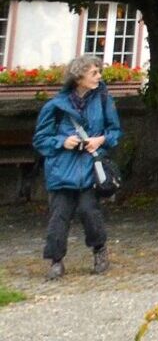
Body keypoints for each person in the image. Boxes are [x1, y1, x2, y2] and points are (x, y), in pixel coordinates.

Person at [33, 54, 118, 280]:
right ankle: (56, 261)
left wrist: (101, 140)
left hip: (90, 168)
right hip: (62, 169)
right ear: (79, 77)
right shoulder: (55, 106)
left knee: (90, 212)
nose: (99, 77)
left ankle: (99, 250)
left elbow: (114, 131)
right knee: (59, 217)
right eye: (94, 72)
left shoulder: (103, 100)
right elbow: (41, 139)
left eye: (99, 72)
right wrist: (62, 142)